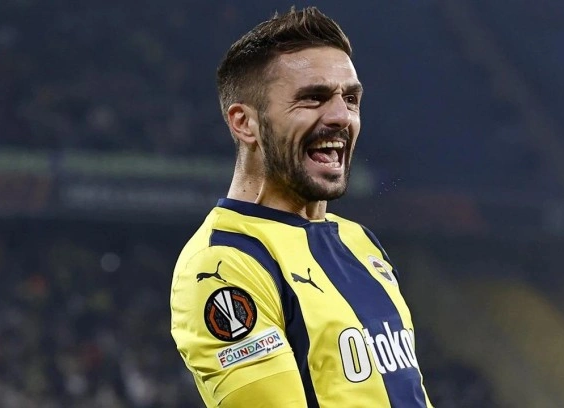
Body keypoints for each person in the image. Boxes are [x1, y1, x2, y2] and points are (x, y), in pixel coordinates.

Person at [170, 7, 433, 407]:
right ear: (244, 123)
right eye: (313, 98)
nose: (342, 117)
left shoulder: (359, 241)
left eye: (351, 99)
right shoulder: (224, 263)